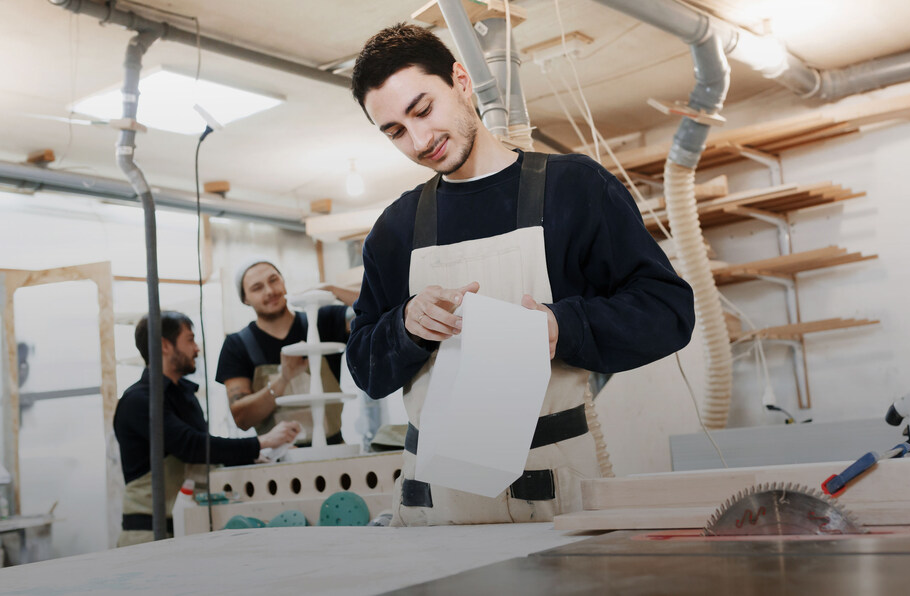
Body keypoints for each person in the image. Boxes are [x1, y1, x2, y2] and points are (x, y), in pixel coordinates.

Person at [347, 24, 695, 526]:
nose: (420, 140)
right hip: (437, 502)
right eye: (395, 131)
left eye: (423, 110)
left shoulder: (574, 190)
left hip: (552, 487)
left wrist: (563, 327)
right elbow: (365, 370)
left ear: (461, 80)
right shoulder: (394, 230)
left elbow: (668, 312)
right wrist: (404, 326)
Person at [113, 311, 300, 546]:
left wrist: (260, 457)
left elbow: (205, 457)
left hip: (188, 527)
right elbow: (191, 445)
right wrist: (261, 442)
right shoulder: (138, 401)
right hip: (150, 535)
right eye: (190, 340)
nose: (196, 349)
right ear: (164, 345)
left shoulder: (185, 396)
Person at [216, 259, 357, 445]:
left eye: (273, 280)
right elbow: (242, 418)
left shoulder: (321, 321)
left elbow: (378, 307)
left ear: (283, 281)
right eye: (257, 288)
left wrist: (333, 290)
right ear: (245, 299)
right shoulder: (237, 344)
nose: (270, 291)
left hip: (333, 447)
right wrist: (283, 380)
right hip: (276, 459)